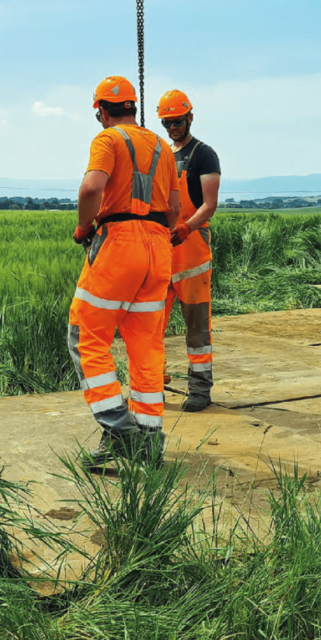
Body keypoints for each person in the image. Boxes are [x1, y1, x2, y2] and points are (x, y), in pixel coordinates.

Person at [67, 75, 180, 472]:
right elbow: (175, 208)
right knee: (146, 346)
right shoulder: (163, 147)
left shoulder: (108, 140)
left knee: (86, 336)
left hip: (119, 244)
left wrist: (84, 227)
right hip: (159, 248)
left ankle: (119, 432)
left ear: (101, 110)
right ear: (133, 107)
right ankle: (149, 442)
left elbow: (90, 188)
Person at [157, 89, 221, 412]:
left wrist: (187, 227)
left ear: (190, 118)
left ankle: (199, 389)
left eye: (177, 122)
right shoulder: (166, 155)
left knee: (197, 327)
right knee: (151, 322)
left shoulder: (203, 155)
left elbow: (209, 205)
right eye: (167, 123)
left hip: (192, 253)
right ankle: (154, 379)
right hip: (164, 254)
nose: (173, 128)